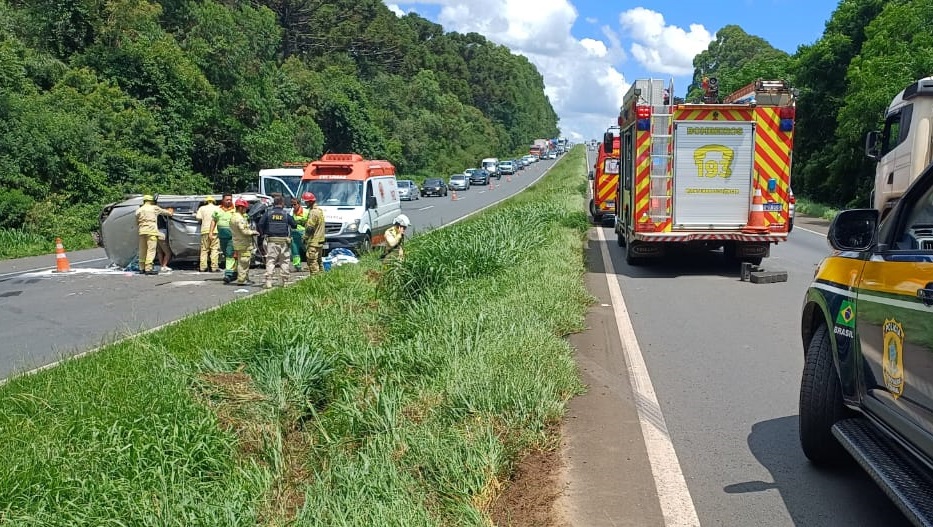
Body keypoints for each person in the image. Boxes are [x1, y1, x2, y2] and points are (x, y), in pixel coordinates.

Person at [258, 195, 297, 289]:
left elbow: (260, 224)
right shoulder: (285, 214)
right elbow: (294, 225)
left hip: (271, 240)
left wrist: (263, 234)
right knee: (284, 261)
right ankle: (285, 282)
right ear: (282, 203)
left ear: (274, 204)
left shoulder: (267, 213)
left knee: (270, 261)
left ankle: (268, 282)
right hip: (284, 241)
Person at [135, 194, 173, 275]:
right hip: (151, 232)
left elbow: (136, 222)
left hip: (142, 232)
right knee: (151, 250)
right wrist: (170, 211)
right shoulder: (154, 208)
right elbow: (167, 213)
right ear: (151, 201)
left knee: (142, 250)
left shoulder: (139, 210)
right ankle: (148, 268)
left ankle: (141, 268)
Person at [230, 198, 259, 286]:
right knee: (244, 262)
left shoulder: (234, 217)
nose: (246, 210)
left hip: (239, 243)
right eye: (245, 208)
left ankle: (245, 278)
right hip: (243, 244)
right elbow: (244, 231)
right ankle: (242, 280)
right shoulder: (239, 219)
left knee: (243, 262)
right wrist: (253, 232)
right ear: (240, 208)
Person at [213, 194, 236, 283]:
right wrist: (211, 232)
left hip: (232, 237)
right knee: (226, 254)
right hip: (222, 237)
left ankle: (228, 274)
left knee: (230, 254)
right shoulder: (218, 210)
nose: (229, 201)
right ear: (223, 200)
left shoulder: (235, 210)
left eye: (230, 199)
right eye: (227, 200)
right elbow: (213, 221)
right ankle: (234, 272)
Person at [302, 192, 326, 275]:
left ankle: (315, 280)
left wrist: (305, 238)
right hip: (320, 240)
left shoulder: (313, 212)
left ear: (310, 202)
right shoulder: (319, 211)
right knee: (319, 262)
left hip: (313, 241)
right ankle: (322, 279)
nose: (305, 204)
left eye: (306, 202)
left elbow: (310, 228)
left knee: (312, 262)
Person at [195, 195, 221, 272]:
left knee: (204, 249)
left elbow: (198, 217)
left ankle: (203, 267)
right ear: (214, 201)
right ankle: (214, 267)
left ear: (206, 201)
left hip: (205, 230)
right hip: (215, 231)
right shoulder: (218, 208)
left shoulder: (202, 208)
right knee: (214, 249)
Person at [289, 196, 308, 271]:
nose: (293, 206)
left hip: (303, 233)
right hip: (294, 233)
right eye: (292, 205)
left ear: (299, 204)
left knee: (308, 249)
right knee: (295, 250)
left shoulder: (306, 211)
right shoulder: (292, 211)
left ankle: (311, 264)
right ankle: (297, 266)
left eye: (294, 204)